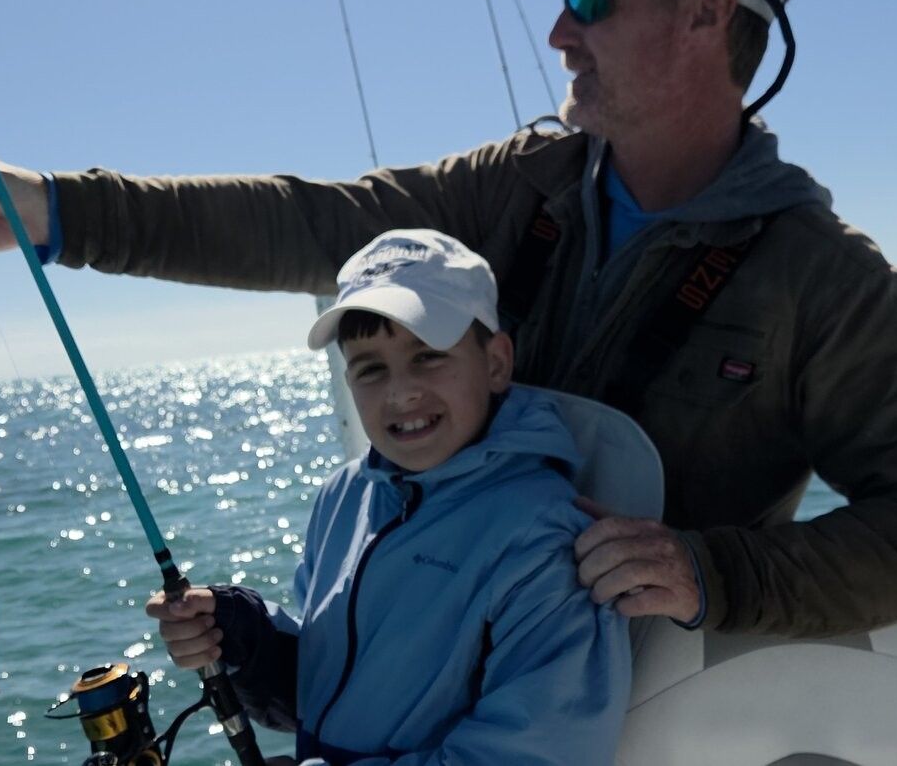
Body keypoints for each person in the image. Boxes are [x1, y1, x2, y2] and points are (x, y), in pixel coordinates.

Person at [0, 0, 897, 637]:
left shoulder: (823, 277)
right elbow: (315, 223)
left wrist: (714, 573)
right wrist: (53, 212)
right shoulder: (520, 183)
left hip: (662, 690)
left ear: (707, 13)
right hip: (469, 646)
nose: (559, 30)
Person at [145, 229, 632, 765]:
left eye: (428, 356)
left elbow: (536, 755)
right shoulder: (344, 495)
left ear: (496, 362)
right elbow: (328, 684)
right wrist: (243, 636)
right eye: (371, 368)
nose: (401, 392)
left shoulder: (542, 537)